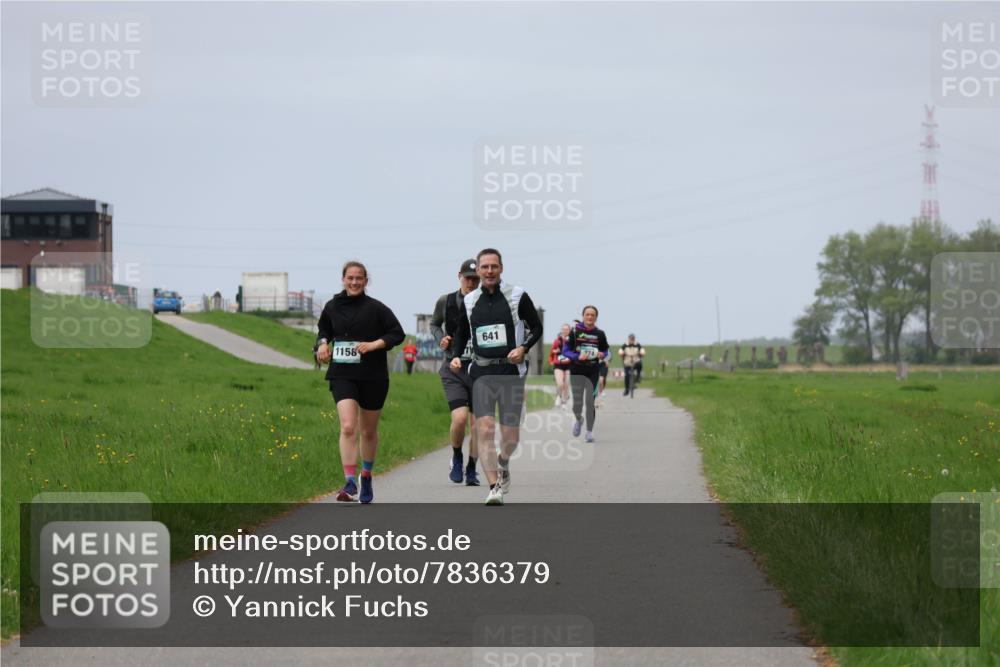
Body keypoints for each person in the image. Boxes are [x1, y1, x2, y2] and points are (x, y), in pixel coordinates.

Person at [450, 248, 542, 505]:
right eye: (485, 267)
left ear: (501, 269)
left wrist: (523, 348)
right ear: (478, 270)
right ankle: (494, 487)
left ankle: (504, 462)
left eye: (494, 266)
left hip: (511, 372)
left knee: (510, 437)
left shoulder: (516, 295)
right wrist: (457, 354)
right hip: (481, 373)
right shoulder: (469, 301)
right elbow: (461, 332)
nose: (489, 271)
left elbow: (537, 326)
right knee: (485, 428)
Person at [315, 261, 404, 504]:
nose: (354, 282)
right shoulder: (332, 307)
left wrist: (376, 344)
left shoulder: (376, 309)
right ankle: (349, 480)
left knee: (368, 430)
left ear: (366, 281)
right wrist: (322, 344)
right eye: (350, 278)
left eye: (359, 278)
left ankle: (366, 474)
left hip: (373, 376)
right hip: (342, 374)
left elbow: (397, 333)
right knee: (347, 426)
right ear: (343, 279)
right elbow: (323, 331)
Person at [430, 259, 481, 486]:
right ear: (459, 275)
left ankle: (472, 467)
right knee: (460, 419)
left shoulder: (487, 303)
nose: (471, 283)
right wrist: (441, 338)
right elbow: (434, 324)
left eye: (475, 279)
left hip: (481, 370)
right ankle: (457, 456)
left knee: (479, 425)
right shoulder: (446, 300)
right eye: (468, 278)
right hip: (454, 368)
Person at [562, 306, 609, 443]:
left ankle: (589, 431)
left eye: (592, 315)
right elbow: (565, 350)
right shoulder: (575, 331)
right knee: (577, 403)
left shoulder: (600, 334)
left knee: (590, 402)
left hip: (593, 370)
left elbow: (605, 350)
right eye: (587, 314)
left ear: (596, 317)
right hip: (577, 370)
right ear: (583, 316)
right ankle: (579, 420)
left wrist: (602, 354)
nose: (590, 317)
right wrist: (577, 357)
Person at [548, 323, 572, 409]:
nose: (565, 331)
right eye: (564, 329)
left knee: (566, 384)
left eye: (567, 329)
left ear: (569, 331)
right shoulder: (557, 341)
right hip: (558, 364)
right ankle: (559, 396)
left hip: (569, 365)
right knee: (560, 384)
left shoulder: (572, 341)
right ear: (561, 330)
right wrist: (551, 360)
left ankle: (564, 401)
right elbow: (551, 352)